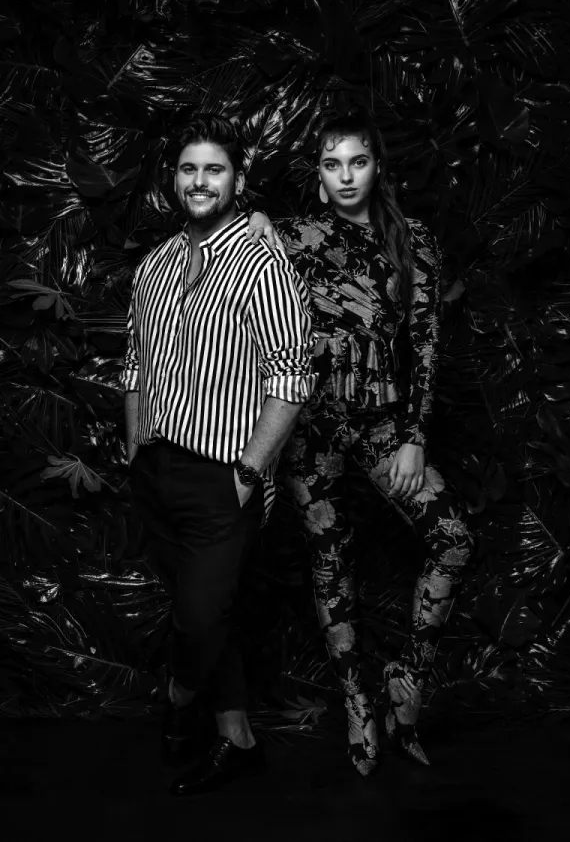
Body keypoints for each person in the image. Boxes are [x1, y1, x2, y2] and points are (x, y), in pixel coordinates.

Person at [274, 109, 475, 777]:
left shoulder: (412, 240)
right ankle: (356, 700)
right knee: (330, 563)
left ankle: (406, 678)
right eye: (332, 164)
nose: (345, 176)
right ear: (319, 174)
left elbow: (426, 348)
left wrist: (414, 440)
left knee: (452, 537)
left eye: (356, 162)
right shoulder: (292, 237)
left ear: (376, 167)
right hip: (308, 427)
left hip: (382, 424)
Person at [121, 113, 316, 795]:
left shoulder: (263, 263)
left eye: (214, 169)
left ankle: (180, 699)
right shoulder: (153, 265)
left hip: (222, 477)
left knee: (200, 616)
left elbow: (292, 377)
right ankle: (238, 738)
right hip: (155, 469)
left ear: (238, 177)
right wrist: (135, 445)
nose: (199, 181)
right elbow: (134, 361)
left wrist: (250, 470)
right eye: (188, 169)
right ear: (173, 178)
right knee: (211, 613)